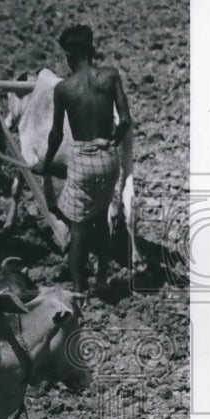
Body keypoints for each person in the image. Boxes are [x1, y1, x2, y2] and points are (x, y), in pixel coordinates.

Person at [35, 25, 132, 297]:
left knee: (78, 228)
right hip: (108, 160)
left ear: (68, 54)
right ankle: (102, 279)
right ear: (91, 49)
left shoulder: (64, 89)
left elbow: (56, 135)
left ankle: (78, 290)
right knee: (100, 218)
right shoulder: (110, 76)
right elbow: (124, 120)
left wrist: (45, 164)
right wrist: (112, 141)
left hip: (82, 161)